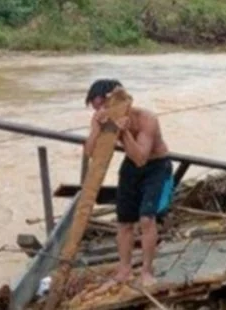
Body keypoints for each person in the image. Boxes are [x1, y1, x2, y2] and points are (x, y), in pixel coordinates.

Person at [84, 79, 174, 287]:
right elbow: (89, 152)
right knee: (124, 222)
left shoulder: (146, 119)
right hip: (131, 167)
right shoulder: (101, 119)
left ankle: (146, 271)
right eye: (97, 108)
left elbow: (141, 158)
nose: (101, 112)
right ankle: (124, 270)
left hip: (155, 166)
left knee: (146, 219)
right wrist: (97, 128)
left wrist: (122, 132)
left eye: (104, 107)